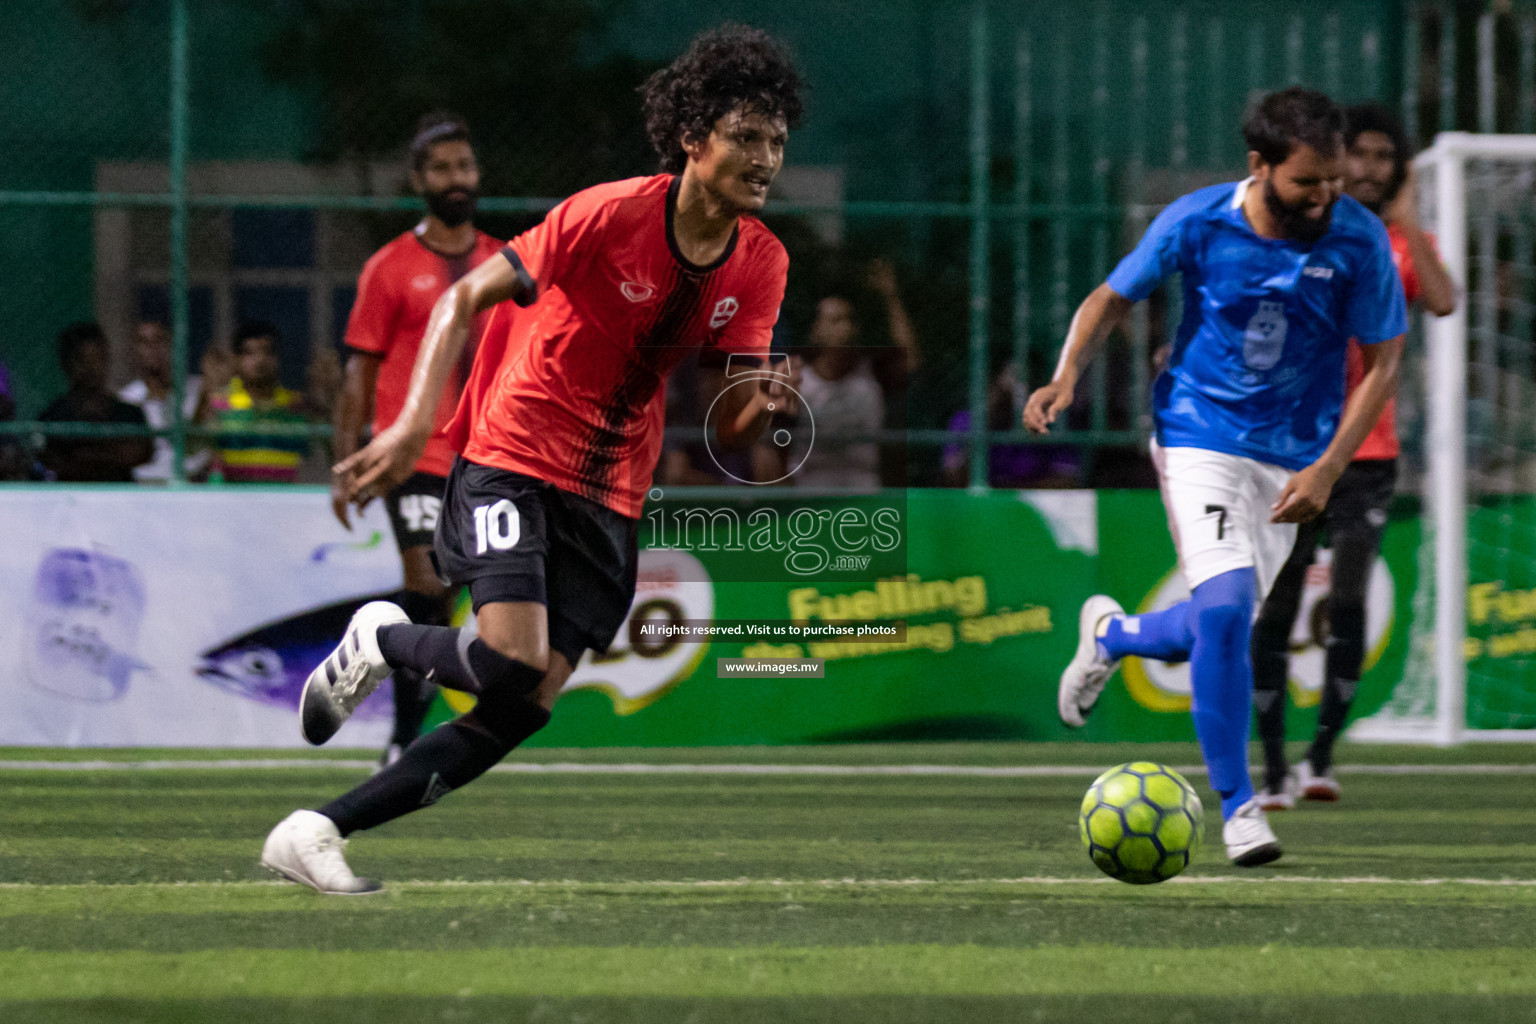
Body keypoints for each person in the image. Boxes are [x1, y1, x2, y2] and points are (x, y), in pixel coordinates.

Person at [260, 24, 803, 893]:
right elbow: (468, 294)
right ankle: (384, 635)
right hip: (515, 451)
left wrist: (767, 405)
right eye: (746, 136)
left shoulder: (763, 260)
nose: (766, 157)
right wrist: (405, 430)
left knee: (522, 707)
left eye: (776, 141)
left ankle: (316, 830)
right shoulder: (609, 213)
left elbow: (731, 425)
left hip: (614, 496)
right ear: (693, 136)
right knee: (510, 661)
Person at [1024, 87, 1407, 867]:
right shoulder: (1198, 221)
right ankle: (1240, 809)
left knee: (1215, 628)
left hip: (1294, 457)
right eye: (1309, 181)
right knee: (1230, 614)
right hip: (1199, 433)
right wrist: (1066, 378)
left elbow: (1384, 359)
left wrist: (1331, 466)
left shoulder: (1359, 240)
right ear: (1259, 166)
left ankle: (1116, 634)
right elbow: (1109, 297)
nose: (1326, 195)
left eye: (1333, 179)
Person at [1252, 103, 1456, 809]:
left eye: (1382, 158)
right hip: (1286, 449)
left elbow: (1443, 299)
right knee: (1275, 606)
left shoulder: (1395, 242)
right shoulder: (1304, 226)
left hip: (1366, 454)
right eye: (1359, 156)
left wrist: (1407, 221)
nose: (1369, 169)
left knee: (1346, 600)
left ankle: (1320, 759)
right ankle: (1273, 766)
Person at [333, 112, 504, 768]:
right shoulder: (390, 268)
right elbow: (360, 368)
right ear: (418, 179)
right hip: (414, 454)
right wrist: (345, 459)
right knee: (427, 581)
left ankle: (389, 673)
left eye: (464, 166)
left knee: (447, 602)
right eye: (441, 169)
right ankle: (404, 742)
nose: (455, 179)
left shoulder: (500, 264)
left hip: (487, 456)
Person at [38, 322, 154, 482]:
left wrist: (84, 452)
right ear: (66, 363)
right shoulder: (53, 416)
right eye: (82, 359)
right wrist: (110, 452)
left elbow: (140, 453)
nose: (91, 367)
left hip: (121, 501)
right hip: (70, 500)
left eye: (97, 358)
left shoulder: (129, 413)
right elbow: (52, 460)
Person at [200, 321, 310, 483]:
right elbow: (194, 451)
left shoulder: (296, 405)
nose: (260, 360)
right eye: (249, 353)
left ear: (278, 358)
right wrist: (206, 392)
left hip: (285, 500)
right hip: (231, 500)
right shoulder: (219, 402)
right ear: (236, 359)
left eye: (267, 352)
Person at [118, 318, 209, 482]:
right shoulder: (127, 399)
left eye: (159, 340)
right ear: (135, 350)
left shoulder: (198, 389)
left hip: (193, 483)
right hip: (146, 486)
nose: (153, 349)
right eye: (144, 342)